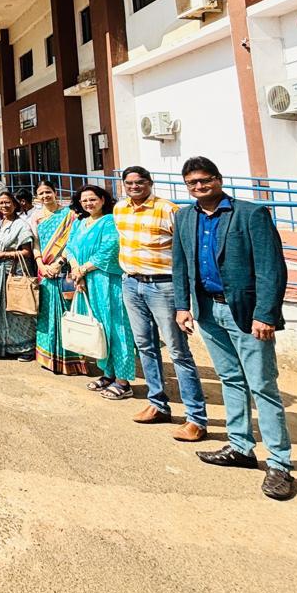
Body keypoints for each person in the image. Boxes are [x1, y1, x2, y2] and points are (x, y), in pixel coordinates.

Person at [173, 156, 295, 501]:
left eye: (205, 180)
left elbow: (271, 268)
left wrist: (266, 314)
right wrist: (182, 306)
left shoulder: (250, 214)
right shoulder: (184, 217)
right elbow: (180, 264)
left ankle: (279, 463)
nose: (199, 187)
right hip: (207, 311)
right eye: (192, 183)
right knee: (229, 378)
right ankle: (240, 446)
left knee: (263, 386)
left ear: (219, 179)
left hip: (245, 312)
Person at [115, 165, 207, 441]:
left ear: (150, 183)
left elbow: (185, 250)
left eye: (140, 182)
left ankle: (196, 418)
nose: (134, 186)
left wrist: (183, 296)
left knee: (178, 351)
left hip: (163, 286)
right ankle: (157, 403)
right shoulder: (120, 209)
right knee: (145, 346)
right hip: (131, 282)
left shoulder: (168, 210)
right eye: (129, 183)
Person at [65, 185, 136, 399]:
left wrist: (83, 269)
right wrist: (76, 270)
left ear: (103, 200)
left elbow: (110, 249)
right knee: (99, 327)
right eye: (84, 200)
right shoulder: (79, 223)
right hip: (85, 280)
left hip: (106, 280)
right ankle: (108, 373)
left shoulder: (109, 221)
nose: (88, 203)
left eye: (92, 199)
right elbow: (70, 248)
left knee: (116, 327)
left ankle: (123, 381)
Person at [33, 180, 90, 375]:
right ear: (37, 196)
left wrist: (59, 262)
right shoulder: (36, 217)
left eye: (48, 192)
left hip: (65, 270)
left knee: (68, 313)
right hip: (45, 272)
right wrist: (41, 264)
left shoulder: (70, 215)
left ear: (55, 192)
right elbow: (36, 244)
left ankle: (72, 360)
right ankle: (49, 358)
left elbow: (72, 242)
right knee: (47, 314)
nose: (45, 196)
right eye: (41, 193)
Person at [0, 191, 36, 359]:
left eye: (8, 202)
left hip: (16, 272)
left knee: (18, 311)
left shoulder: (21, 225)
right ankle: (2, 346)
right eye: (1, 203)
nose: (4, 205)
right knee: (0, 310)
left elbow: (27, 252)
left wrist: (3, 255)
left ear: (15, 204)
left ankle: (25, 348)